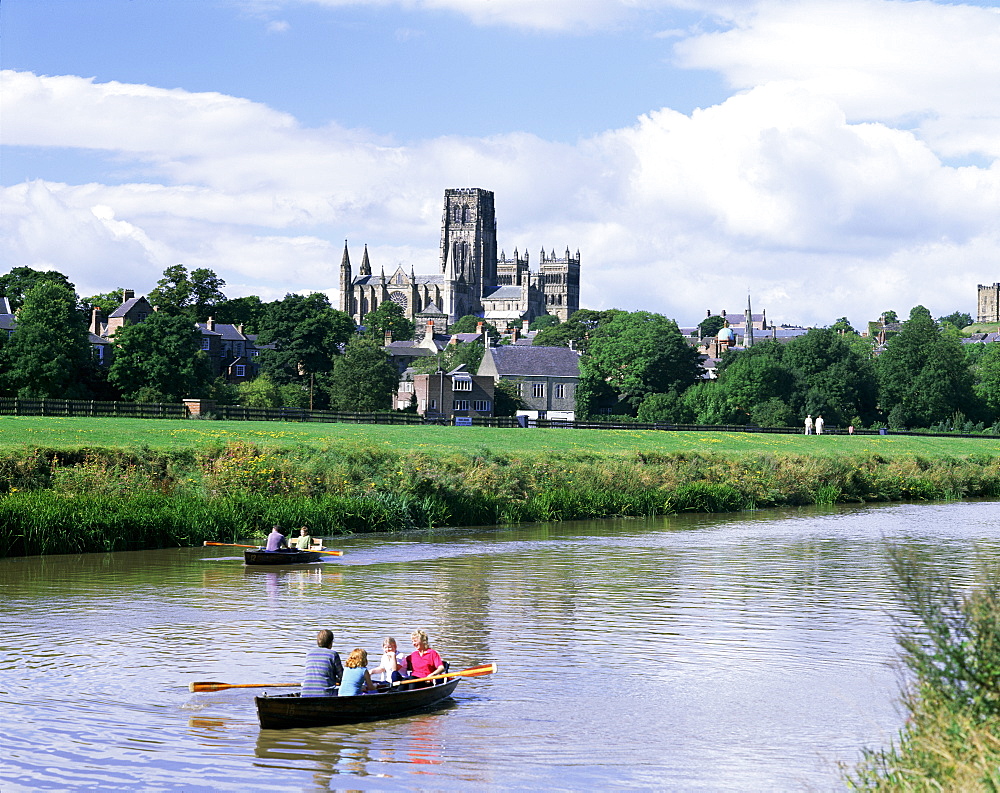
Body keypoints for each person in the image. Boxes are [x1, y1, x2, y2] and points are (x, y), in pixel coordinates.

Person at [301, 629, 343, 697]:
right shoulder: (333, 654)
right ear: (331, 643)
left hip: (305, 693)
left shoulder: (309, 653)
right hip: (326, 694)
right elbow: (342, 676)